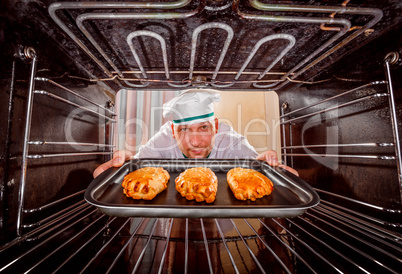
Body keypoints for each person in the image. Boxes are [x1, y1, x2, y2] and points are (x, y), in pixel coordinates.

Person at [93, 89, 298, 177]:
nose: (195, 141)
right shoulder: (164, 138)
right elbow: (137, 165)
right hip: (173, 218)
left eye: (204, 127)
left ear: (216, 126)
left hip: (222, 218)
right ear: (173, 130)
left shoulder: (230, 140)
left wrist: (266, 163)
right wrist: (125, 161)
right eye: (184, 129)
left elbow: (257, 166)